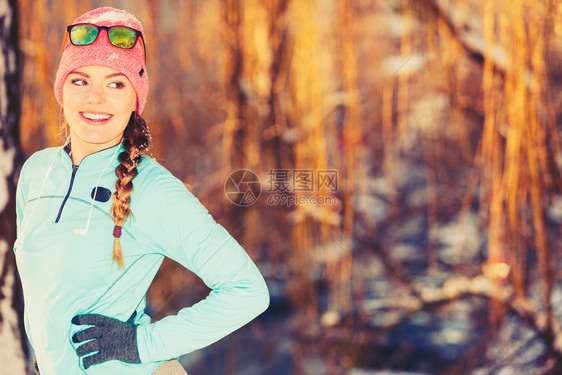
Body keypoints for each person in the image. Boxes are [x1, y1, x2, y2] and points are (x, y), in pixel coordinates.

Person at [14, 7, 269, 375]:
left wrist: (141, 344)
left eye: (116, 84)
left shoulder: (152, 190)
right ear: (61, 89)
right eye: (80, 80)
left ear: (135, 98)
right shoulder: (37, 172)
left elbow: (247, 290)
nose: (95, 98)